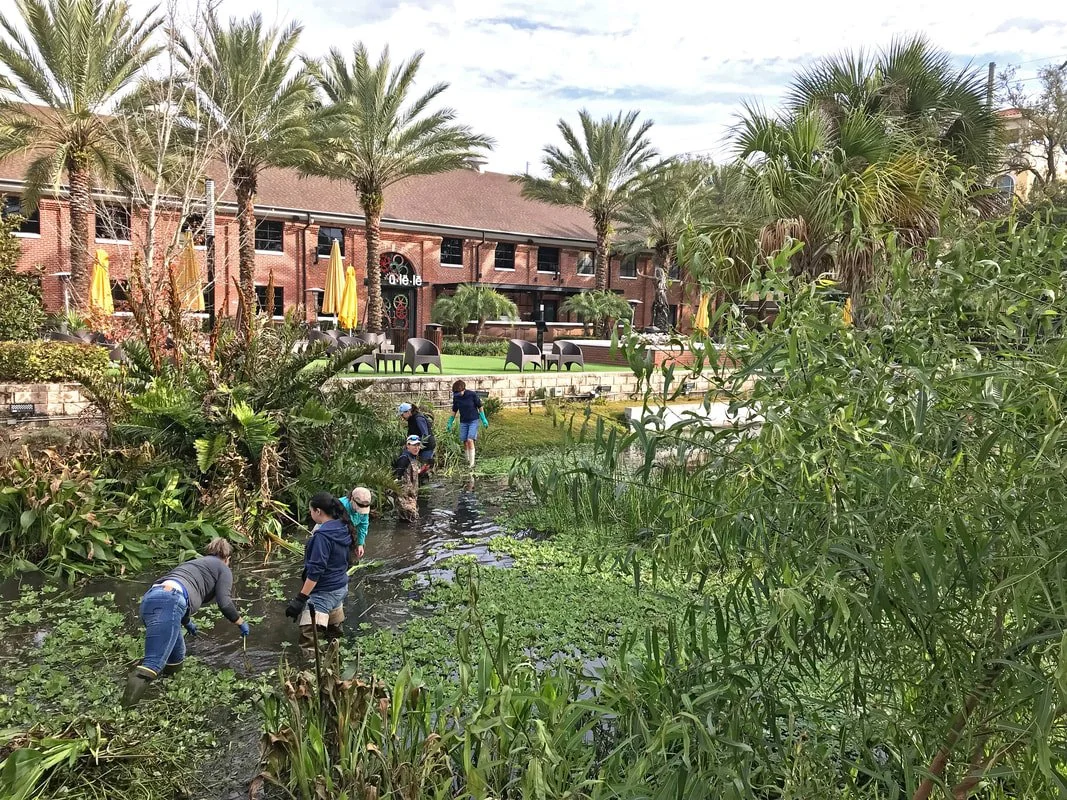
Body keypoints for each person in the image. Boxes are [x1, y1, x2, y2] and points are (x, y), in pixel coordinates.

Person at [123, 538, 249, 707]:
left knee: (177, 654)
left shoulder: (194, 563)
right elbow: (225, 603)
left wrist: (187, 621)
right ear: (227, 558)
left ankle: (169, 696)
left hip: (152, 598)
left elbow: (180, 588)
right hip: (169, 601)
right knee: (153, 663)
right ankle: (125, 709)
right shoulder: (223, 569)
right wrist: (240, 622)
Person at [285, 492, 356, 655]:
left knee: (308, 642)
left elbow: (315, 571)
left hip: (323, 594)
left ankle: (310, 673)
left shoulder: (322, 536)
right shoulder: (343, 527)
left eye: (311, 510)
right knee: (334, 637)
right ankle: (337, 668)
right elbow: (347, 560)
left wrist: (299, 599)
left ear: (318, 512)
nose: (310, 514)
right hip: (340, 589)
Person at [446, 380, 488, 468]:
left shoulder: (472, 395)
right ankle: (467, 460)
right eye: (455, 393)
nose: (457, 394)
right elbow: (454, 410)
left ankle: (472, 464)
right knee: (464, 441)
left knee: (470, 440)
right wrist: (450, 422)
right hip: (463, 421)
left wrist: (483, 419)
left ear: (463, 389)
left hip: (473, 420)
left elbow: (480, 406)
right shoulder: (456, 398)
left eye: (459, 392)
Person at [397, 402, 436, 482]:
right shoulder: (411, 419)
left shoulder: (418, 419)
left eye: (402, 415)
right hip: (418, 444)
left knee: (425, 467)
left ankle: (425, 484)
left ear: (408, 412)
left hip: (427, 446)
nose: (402, 417)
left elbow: (425, 435)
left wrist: (418, 447)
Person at [393, 435, 422, 522]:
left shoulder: (413, 457)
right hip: (404, 497)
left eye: (418, 445)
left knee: (410, 521)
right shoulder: (404, 458)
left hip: (411, 495)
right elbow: (397, 477)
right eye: (414, 445)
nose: (416, 448)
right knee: (411, 521)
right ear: (408, 446)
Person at [339, 486, 372, 561]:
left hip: (348, 530)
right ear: (351, 499)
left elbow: (363, 526)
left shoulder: (364, 510)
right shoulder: (340, 506)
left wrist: (360, 544)